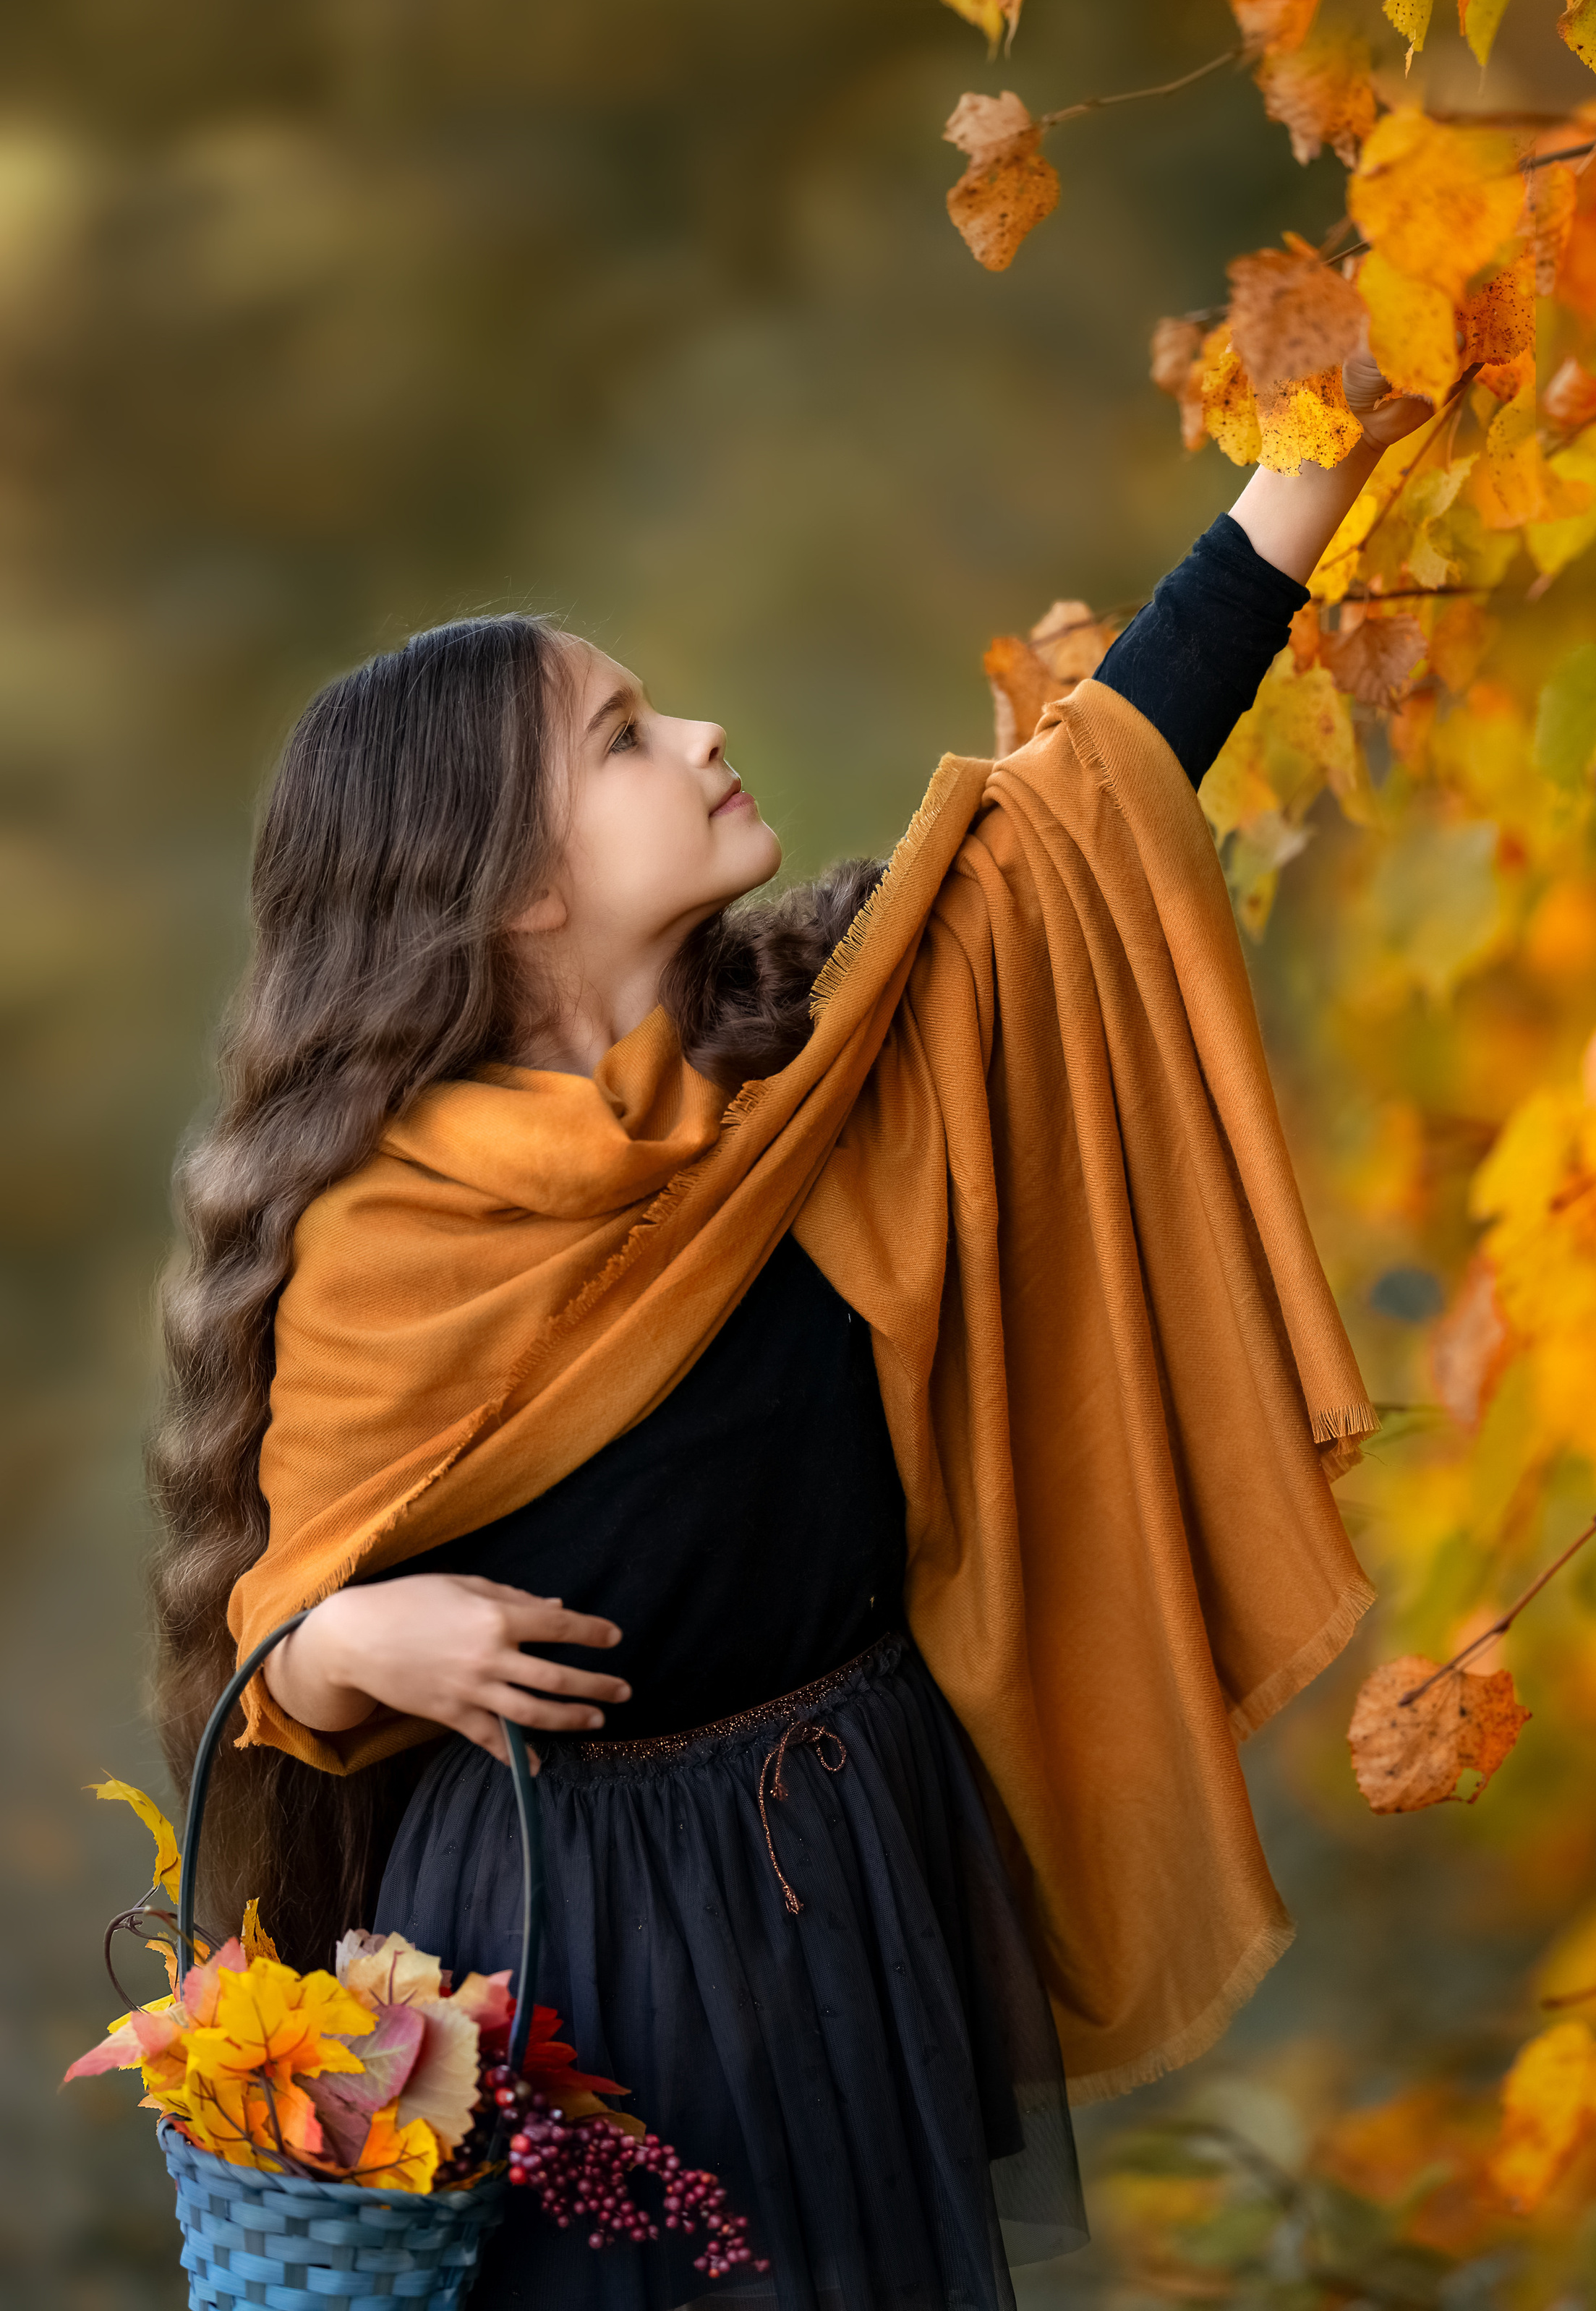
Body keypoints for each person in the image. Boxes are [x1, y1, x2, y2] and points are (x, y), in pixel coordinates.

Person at [149, 354, 1429, 2310]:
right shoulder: (384, 1236)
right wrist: (345, 1639)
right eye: (627, 737)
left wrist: (1310, 467)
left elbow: (1077, 809)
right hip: (560, 1964)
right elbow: (283, 1657)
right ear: (504, 890)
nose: (706, 731)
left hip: (852, 1886)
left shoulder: (825, 1075)